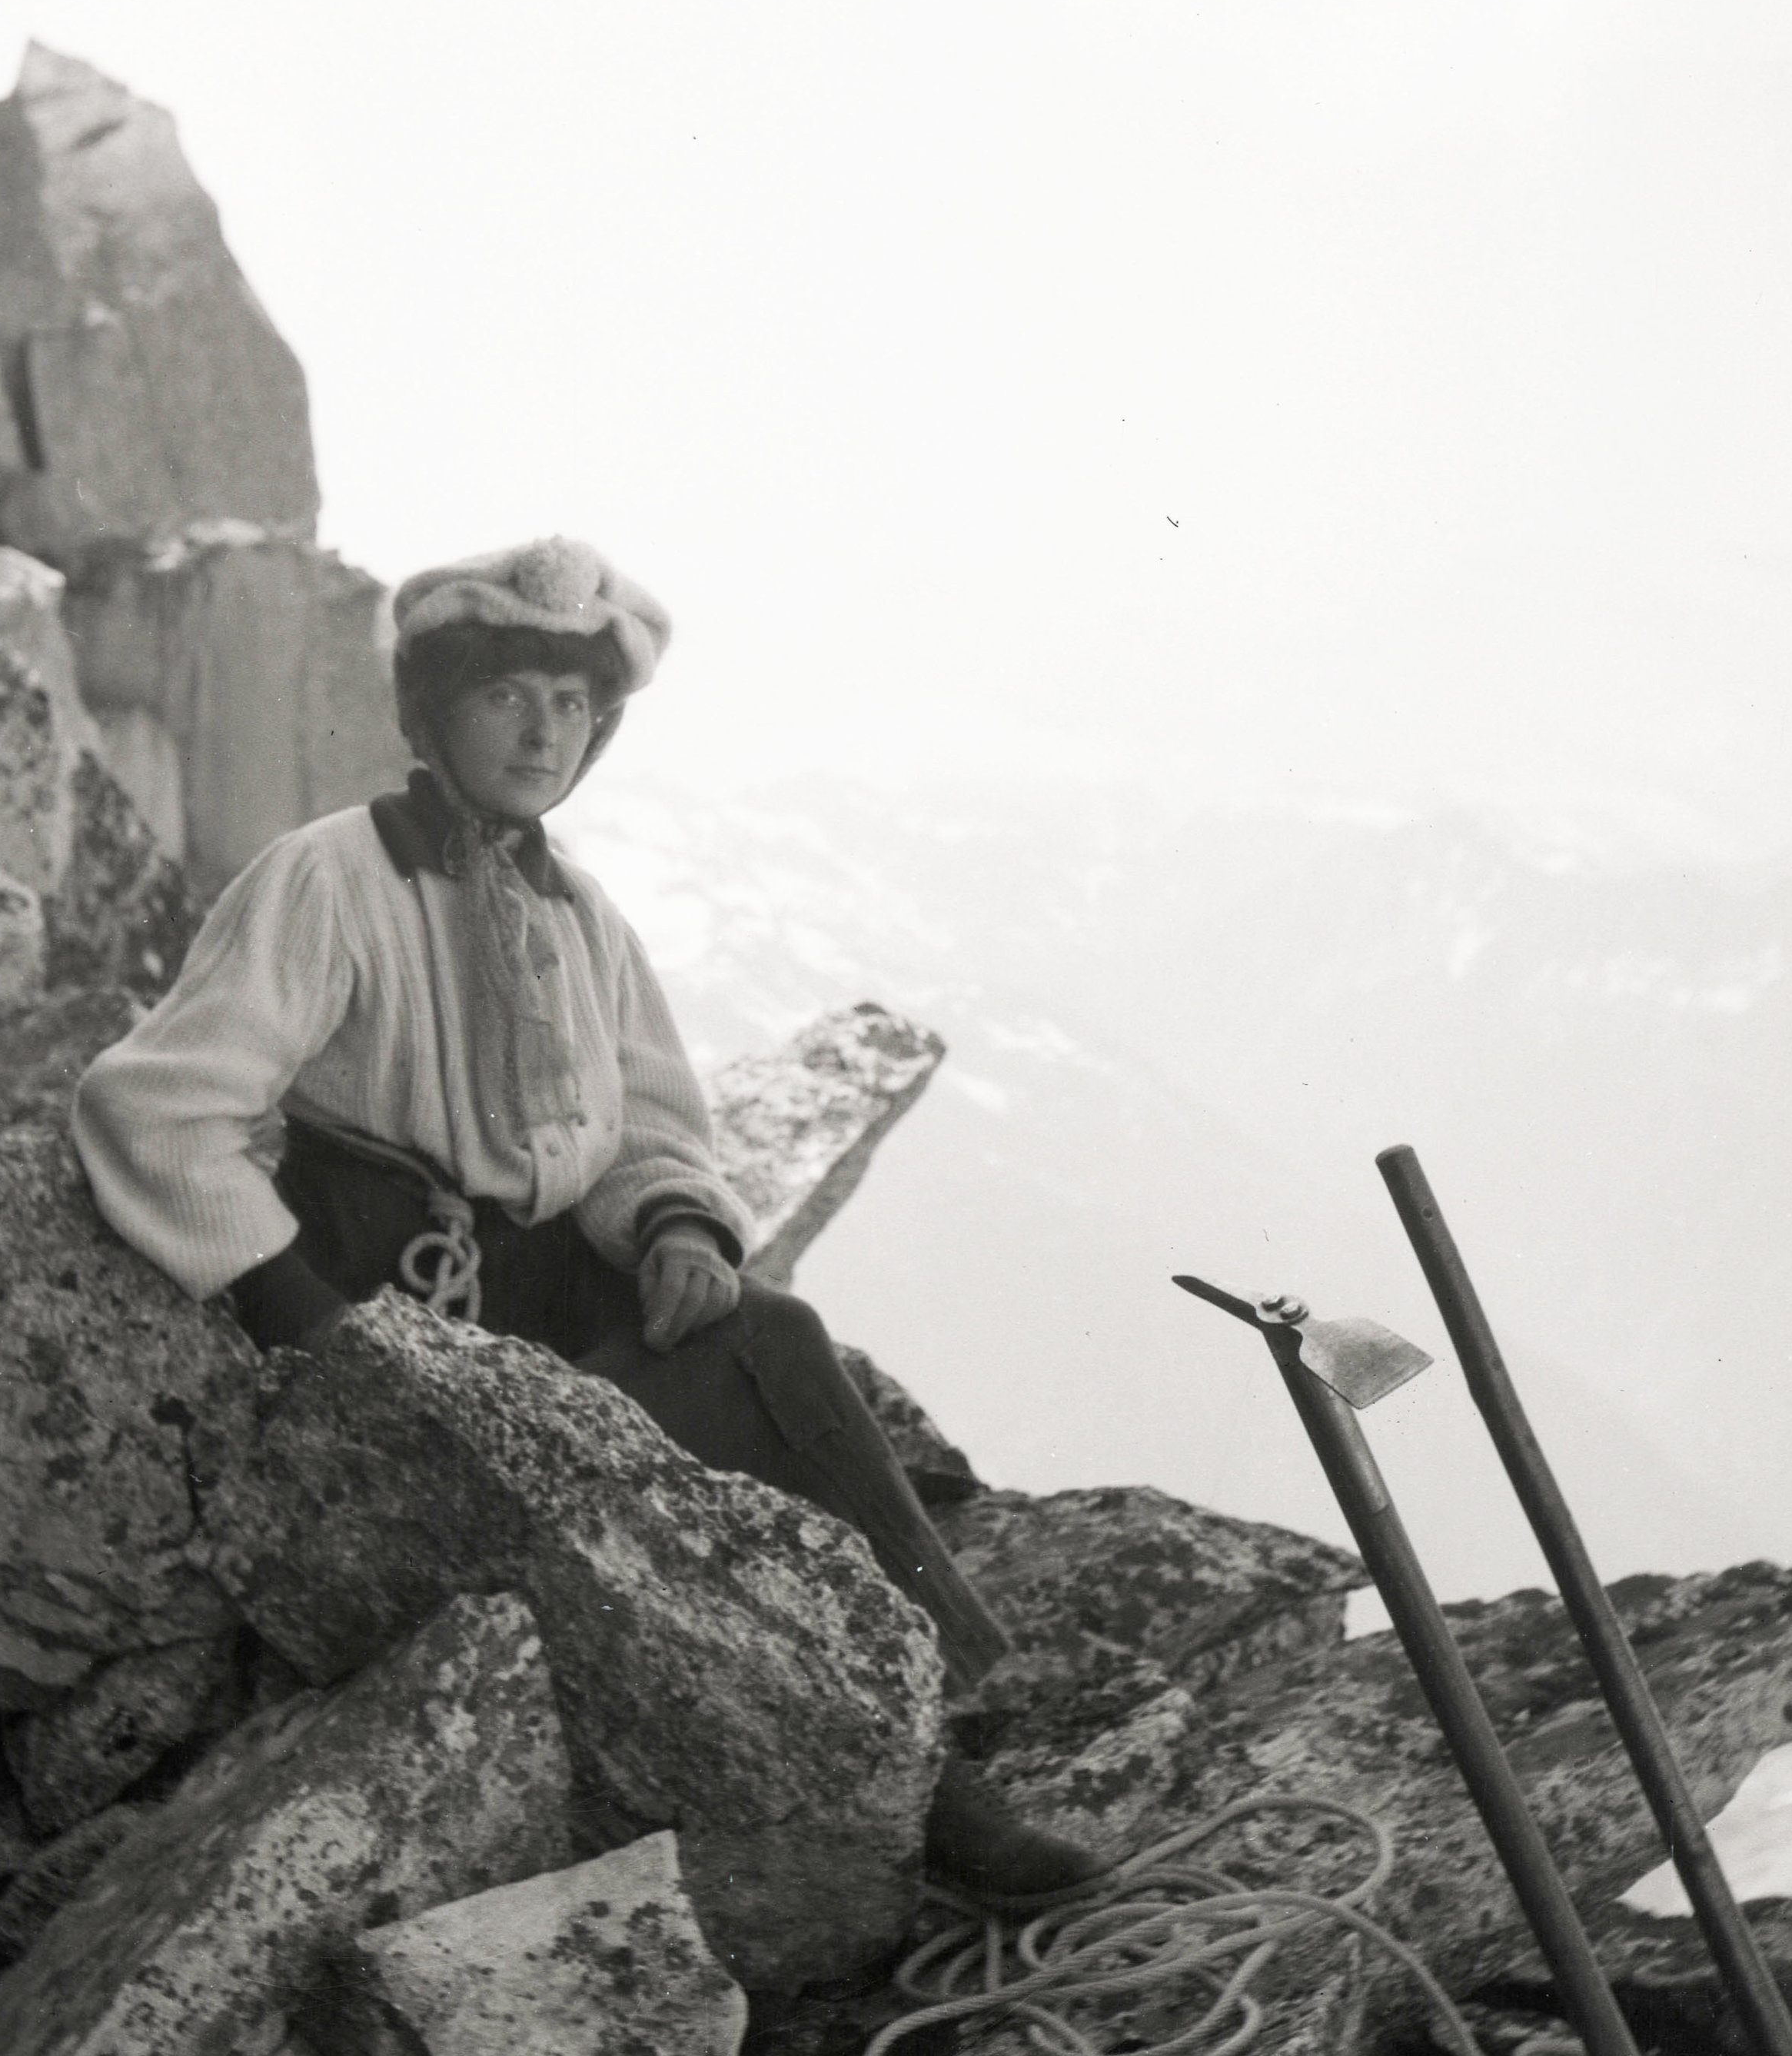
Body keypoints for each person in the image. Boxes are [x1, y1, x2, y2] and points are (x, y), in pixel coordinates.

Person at [72, 534, 1108, 1909]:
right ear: (431, 713)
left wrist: (678, 1230)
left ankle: (933, 1716)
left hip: (545, 1292)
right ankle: (922, 1789)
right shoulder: (329, 879)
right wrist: (304, 1319)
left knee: (768, 1337)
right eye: (509, 693)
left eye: (573, 706)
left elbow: (643, 1126)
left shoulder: (579, 916)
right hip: (397, 1311)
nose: (543, 730)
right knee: (658, 1510)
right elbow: (157, 1108)